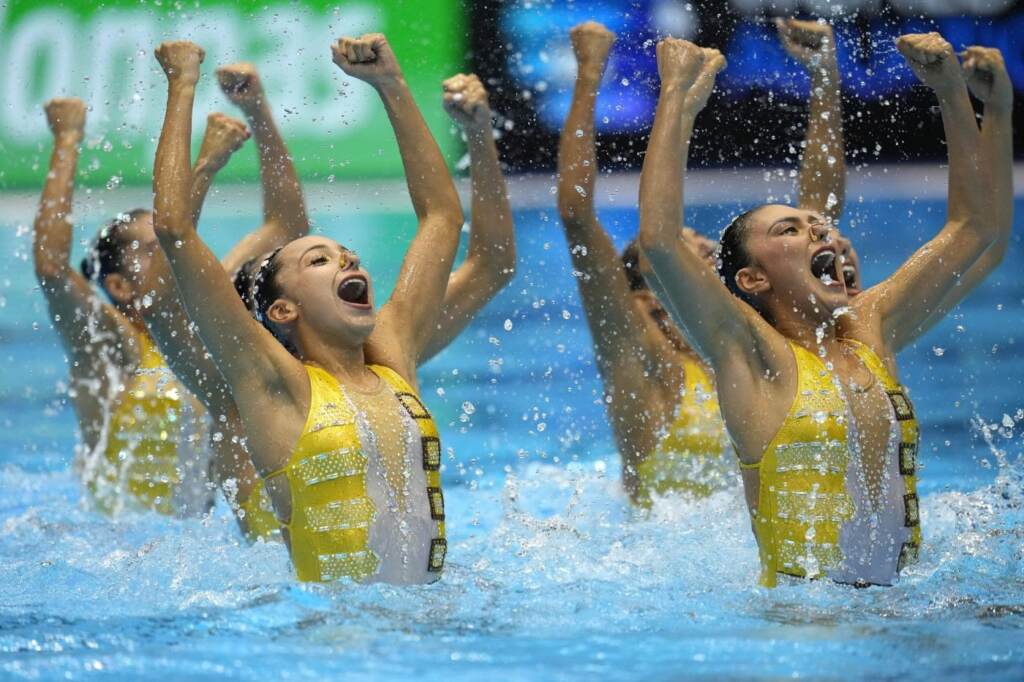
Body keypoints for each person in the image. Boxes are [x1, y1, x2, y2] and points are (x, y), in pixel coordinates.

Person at [637, 34, 1012, 586]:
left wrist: (953, 93)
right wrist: (677, 98)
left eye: (819, 226)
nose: (819, 231)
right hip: (804, 630)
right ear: (752, 278)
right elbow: (659, 244)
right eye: (789, 230)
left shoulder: (868, 330)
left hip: (899, 607)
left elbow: (977, 228)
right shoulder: (751, 355)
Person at [150, 35, 467, 584]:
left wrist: (392, 86)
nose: (348, 261)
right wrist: (181, 85)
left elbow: (442, 216)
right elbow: (174, 231)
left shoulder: (392, 357)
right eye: (320, 260)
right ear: (282, 311)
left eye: (348, 255)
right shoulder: (274, 386)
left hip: (434, 629)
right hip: (334, 646)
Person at [556, 19, 844, 506]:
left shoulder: (756, 346)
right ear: (645, 296)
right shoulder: (641, 361)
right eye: (690, 248)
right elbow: (577, 217)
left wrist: (823, 79)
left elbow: (819, 216)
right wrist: (588, 76)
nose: (708, 251)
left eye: (703, 247)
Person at [32, 98, 250, 516]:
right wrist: (68, 138)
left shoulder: (203, 327)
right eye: (155, 249)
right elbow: (52, 270)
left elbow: (285, 226)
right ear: (119, 286)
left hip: (192, 548)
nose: (175, 250)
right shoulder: (109, 344)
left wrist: (257, 108)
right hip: (116, 549)